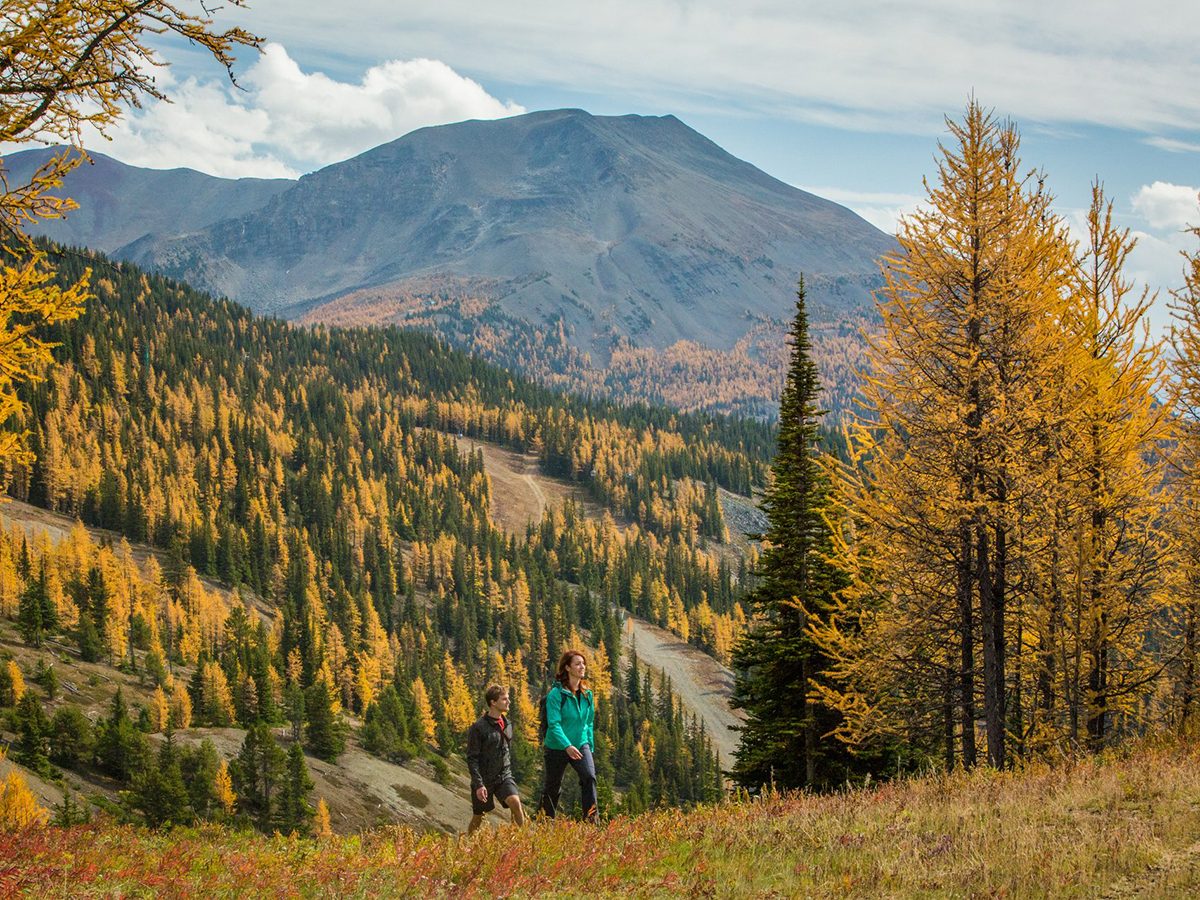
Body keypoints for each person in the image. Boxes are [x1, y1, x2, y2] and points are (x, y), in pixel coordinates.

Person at [539, 649, 599, 823]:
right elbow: (554, 724)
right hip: (557, 747)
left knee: (589, 777)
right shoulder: (556, 695)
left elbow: (588, 722)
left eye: (583, 663)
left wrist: (590, 746)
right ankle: (544, 823)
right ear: (567, 668)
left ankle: (591, 822)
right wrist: (567, 746)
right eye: (577, 664)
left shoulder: (588, 695)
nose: (582, 667)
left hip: (580, 744)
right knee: (552, 787)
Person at [465, 684, 526, 834]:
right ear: (493, 702)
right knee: (479, 817)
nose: (508, 702)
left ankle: (520, 840)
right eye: (504, 699)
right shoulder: (478, 727)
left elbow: (506, 751)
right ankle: (466, 844)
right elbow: (472, 758)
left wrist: (507, 770)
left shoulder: (507, 724)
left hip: (503, 776)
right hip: (483, 779)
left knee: (515, 802)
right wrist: (479, 785)